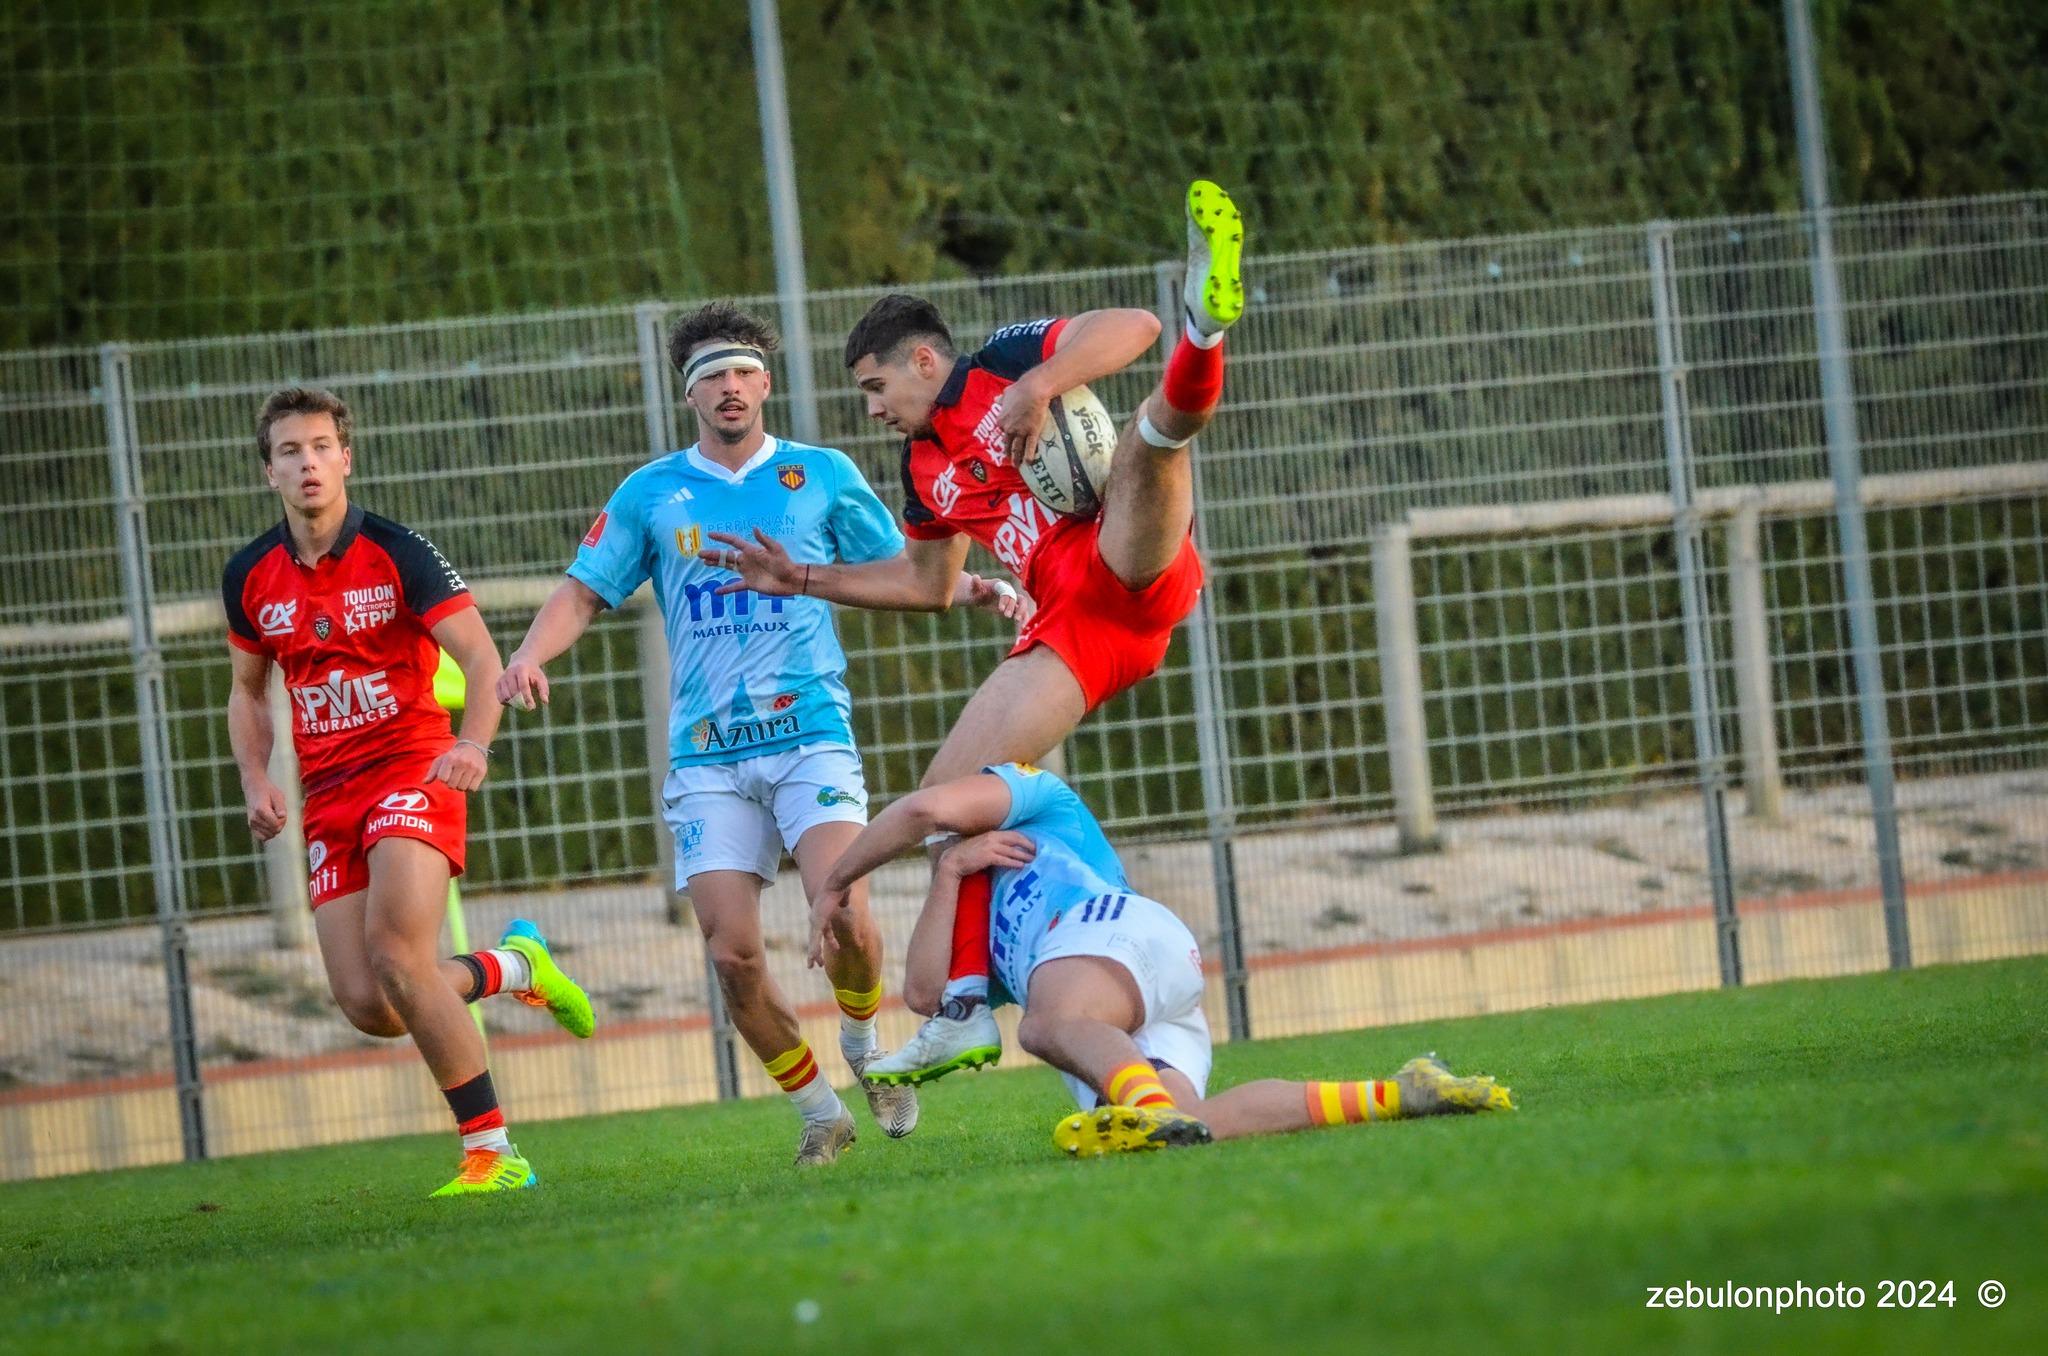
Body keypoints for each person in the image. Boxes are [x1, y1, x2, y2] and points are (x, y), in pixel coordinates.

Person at [708, 180, 1247, 1083]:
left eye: (877, 387)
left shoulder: (1000, 362)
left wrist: (1041, 385)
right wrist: (801, 576)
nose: (873, 408)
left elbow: (1125, 328)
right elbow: (927, 584)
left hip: (1121, 565)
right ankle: (963, 1010)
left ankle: (1207, 324)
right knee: (944, 801)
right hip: (1069, 628)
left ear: (924, 361)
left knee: (1154, 442)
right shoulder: (921, 469)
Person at [496, 303, 1018, 1165]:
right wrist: (526, 657)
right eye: (711, 374)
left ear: (766, 383)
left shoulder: (820, 474)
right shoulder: (652, 493)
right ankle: (820, 1111)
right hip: (706, 754)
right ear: (689, 391)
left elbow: (905, 567)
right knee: (733, 954)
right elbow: (584, 590)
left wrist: (975, 589)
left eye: (742, 372)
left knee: (844, 909)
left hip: (808, 730)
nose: (729, 387)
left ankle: (863, 1051)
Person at [224, 387, 595, 1199]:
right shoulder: (250, 574)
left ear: (345, 459)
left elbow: (481, 651)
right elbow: (249, 692)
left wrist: (473, 744)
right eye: (290, 451)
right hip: (328, 794)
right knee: (372, 1003)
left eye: (322, 446)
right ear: (269, 471)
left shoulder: (397, 551)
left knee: (398, 956)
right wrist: (256, 777)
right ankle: (513, 964)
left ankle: (495, 1154)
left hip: (413, 767)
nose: (308, 462)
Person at [812, 763, 1516, 1155]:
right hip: (1129, 1000)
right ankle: (1400, 1093)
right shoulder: (969, 906)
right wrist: (947, 873)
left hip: (1117, 937)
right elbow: (929, 995)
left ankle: (1144, 1113)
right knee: (1198, 1121)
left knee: (1041, 1026)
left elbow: (926, 808)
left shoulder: (1041, 799)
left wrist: (839, 878)